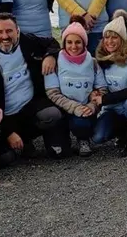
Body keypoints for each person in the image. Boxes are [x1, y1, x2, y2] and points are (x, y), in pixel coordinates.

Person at [0, 13, 66, 165]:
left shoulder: (28, 42)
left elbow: (52, 42)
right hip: (3, 115)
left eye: (9, 31)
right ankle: (17, 142)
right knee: (3, 160)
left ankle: (26, 139)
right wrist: (8, 132)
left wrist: (50, 56)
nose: (5, 36)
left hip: (30, 106)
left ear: (17, 31)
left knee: (52, 115)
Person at [45, 18, 107, 156]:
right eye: (69, 42)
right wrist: (74, 108)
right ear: (64, 43)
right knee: (59, 153)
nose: (74, 46)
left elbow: (102, 89)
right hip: (61, 110)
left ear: (84, 43)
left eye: (78, 42)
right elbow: (52, 93)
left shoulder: (92, 62)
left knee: (82, 125)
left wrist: (92, 106)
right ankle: (62, 139)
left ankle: (83, 139)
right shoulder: (55, 62)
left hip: (84, 109)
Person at [94, 11, 127, 155]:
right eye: (106, 37)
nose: (109, 41)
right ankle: (122, 132)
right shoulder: (101, 57)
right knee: (98, 137)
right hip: (112, 107)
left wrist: (104, 99)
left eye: (114, 37)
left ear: (122, 39)